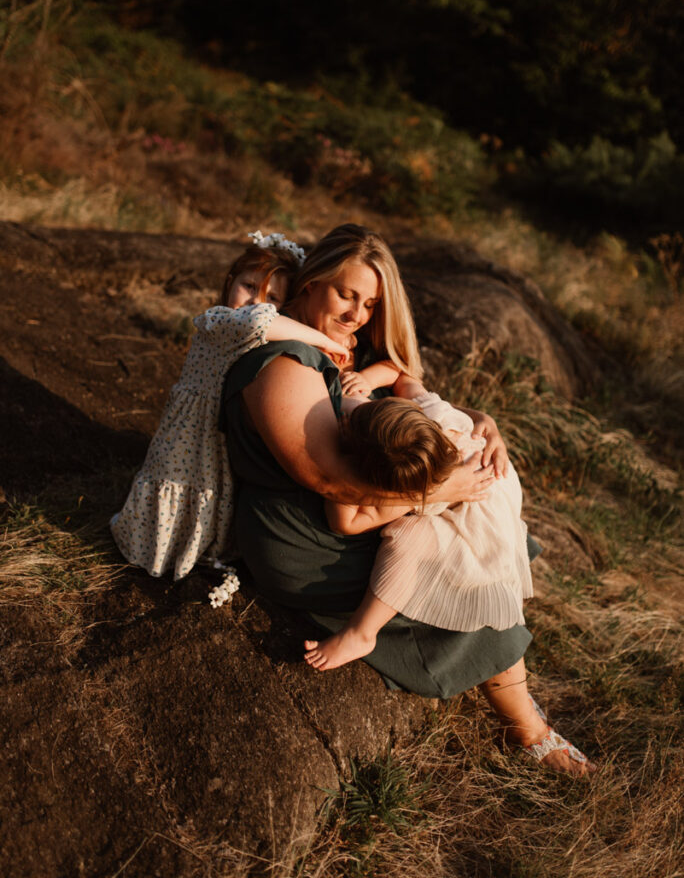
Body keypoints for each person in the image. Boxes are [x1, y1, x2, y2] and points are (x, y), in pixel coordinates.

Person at [220, 223, 595, 777]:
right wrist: (443, 488)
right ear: (310, 282)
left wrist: (480, 423)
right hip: (306, 536)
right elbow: (335, 489)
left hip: (349, 511)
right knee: (456, 558)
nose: (355, 314)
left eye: (369, 303)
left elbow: (406, 389)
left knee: (469, 539)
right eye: (347, 294)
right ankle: (527, 729)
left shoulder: (342, 351)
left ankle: (523, 716)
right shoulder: (283, 363)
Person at [110, 233, 349, 580]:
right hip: (188, 435)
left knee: (212, 493)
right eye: (249, 286)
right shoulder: (219, 320)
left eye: (273, 298)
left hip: (217, 435)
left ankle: (197, 553)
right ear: (229, 283)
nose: (258, 302)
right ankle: (151, 552)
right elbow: (258, 321)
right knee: (179, 484)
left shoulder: (260, 332)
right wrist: (325, 341)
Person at [303, 393, 533, 670]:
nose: (347, 418)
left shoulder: (416, 489)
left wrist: (340, 455)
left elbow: (345, 522)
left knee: (406, 537)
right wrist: (485, 419)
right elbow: (406, 383)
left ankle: (362, 633)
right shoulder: (433, 414)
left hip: (481, 523)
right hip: (502, 483)